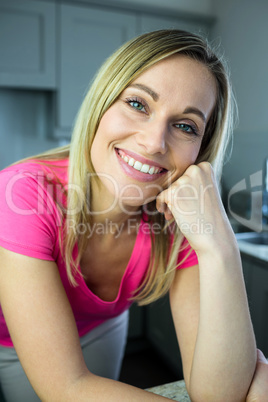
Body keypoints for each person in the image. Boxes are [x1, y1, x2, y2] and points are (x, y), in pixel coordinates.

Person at [0, 29, 265, 401]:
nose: (155, 142)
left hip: (100, 326)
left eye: (185, 126)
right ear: (102, 103)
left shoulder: (181, 217)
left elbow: (219, 394)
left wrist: (220, 244)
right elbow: (65, 387)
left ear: (200, 152)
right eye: (138, 104)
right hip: (6, 339)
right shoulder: (24, 194)